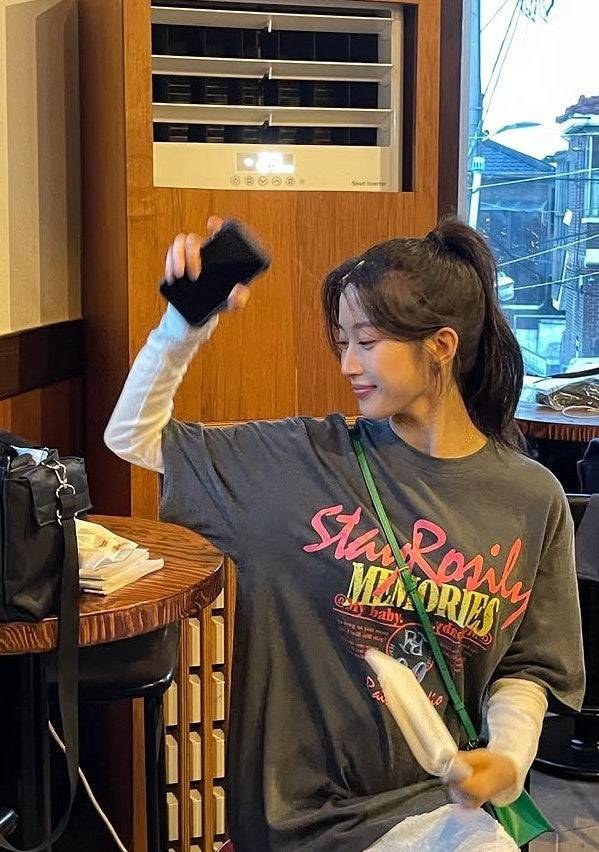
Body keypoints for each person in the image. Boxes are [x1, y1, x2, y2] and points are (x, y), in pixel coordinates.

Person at [105, 216, 584, 852]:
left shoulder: (530, 497)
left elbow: (527, 663)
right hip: (294, 819)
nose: (347, 364)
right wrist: (185, 322)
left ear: (441, 345)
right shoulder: (301, 461)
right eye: (342, 342)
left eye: (366, 341)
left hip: (439, 810)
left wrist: (508, 757)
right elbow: (132, 436)